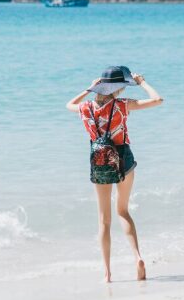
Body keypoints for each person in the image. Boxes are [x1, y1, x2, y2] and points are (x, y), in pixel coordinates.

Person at [65, 65, 164, 283]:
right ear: (119, 88)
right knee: (123, 211)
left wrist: (89, 89)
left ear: (100, 86)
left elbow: (68, 104)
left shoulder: (86, 108)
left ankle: (108, 274)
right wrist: (142, 83)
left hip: (100, 162)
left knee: (104, 220)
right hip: (124, 160)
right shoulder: (122, 105)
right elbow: (158, 100)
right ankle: (137, 257)